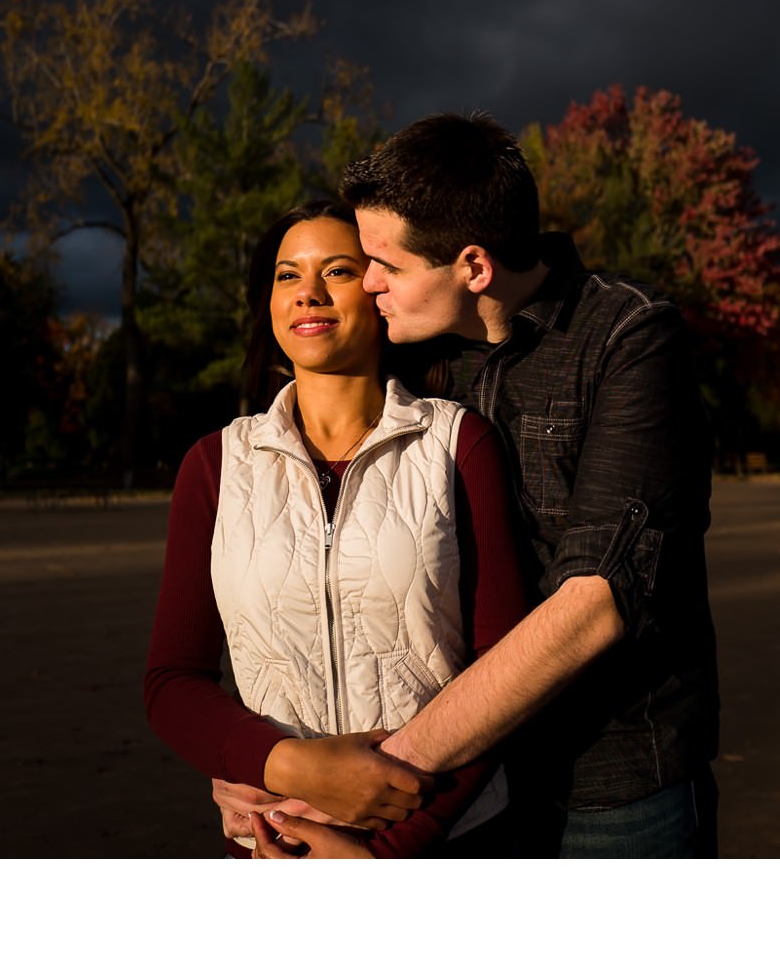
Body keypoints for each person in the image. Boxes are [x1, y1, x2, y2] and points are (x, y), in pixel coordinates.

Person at [222, 113, 721, 858]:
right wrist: (258, 762)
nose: (368, 281)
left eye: (384, 264)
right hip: (471, 795)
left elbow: (594, 605)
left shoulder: (628, 338)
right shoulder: (422, 350)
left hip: (607, 777)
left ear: (474, 267)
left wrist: (375, 781)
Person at [144, 199, 527, 858]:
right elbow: (173, 680)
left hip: (449, 844)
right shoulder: (215, 465)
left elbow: (503, 675)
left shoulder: (459, 444)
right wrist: (287, 765)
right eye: (287, 275)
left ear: (379, 290)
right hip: (277, 854)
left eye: (339, 271)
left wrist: (384, 852)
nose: (309, 293)